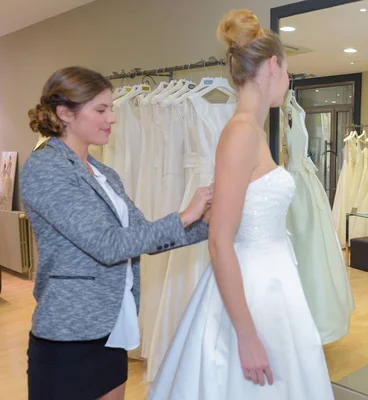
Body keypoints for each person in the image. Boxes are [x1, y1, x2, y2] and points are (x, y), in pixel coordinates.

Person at [148, 9, 334, 400]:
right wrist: (246, 336)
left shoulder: (252, 131)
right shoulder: (241, 133)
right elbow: (220, 241)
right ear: (272, 66)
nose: (287, 80)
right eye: (287, 71)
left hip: (271, 278)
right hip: (253, 284)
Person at [21, 66, 213, 400]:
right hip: (68, 336)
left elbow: (143, 235)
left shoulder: (103, 172)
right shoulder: (44, 168)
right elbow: (107, 246)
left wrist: (208, 225)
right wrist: (184, 216)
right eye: (101, 110)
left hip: (111, 329)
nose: (112, 118)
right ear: (64, 113)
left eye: (111, 108)